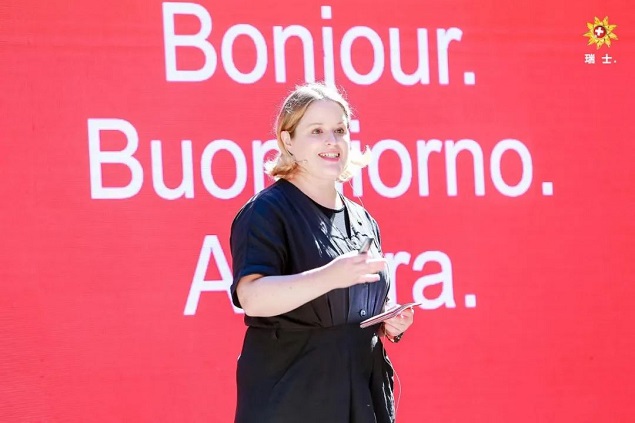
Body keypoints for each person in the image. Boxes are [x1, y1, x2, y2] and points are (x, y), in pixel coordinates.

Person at [229, 82, 415, 423]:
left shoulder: (362, 218)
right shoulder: (266, 211)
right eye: (317, 131)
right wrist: (330, 276)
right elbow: (252, 298)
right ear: (288, 141)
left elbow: (355, 304)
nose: (332, 141)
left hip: (361, 397)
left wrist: (388, 318)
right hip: (294, 400)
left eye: (340, 130)